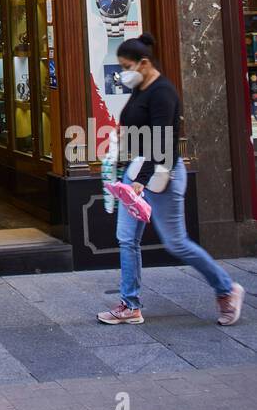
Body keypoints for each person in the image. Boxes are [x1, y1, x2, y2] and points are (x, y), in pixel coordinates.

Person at [97, 32, 245, 327]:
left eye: (126, 67)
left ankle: (227, 289)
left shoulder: (163, 92)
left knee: (176, 243)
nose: (123, 74)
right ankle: (130, 305)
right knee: (127, 239)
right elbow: (139, 125)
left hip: (161, 173)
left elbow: (163, 141)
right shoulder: (141, 87)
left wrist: (145, 178)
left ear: (144, 63)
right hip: (136, 171)